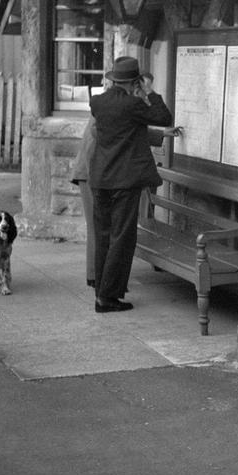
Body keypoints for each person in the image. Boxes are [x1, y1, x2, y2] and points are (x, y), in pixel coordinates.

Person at [70, 73, 182, 291]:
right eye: (138, 89)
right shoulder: (114, 106)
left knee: (106, 230)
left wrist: (161, 134)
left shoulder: (110, 104)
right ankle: (97, 280)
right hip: (92, 172)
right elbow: (119, 133)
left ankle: (103, 283)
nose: (139, 94)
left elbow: (131, 130)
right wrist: (147, 97)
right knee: (100, 230)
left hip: (101, 173)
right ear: (132, 85)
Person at [88, 56, 173, 313]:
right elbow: (163, 116)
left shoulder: (97, 102)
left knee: (103, 236)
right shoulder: (133, 105)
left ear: (114, 79)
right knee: (122, 238)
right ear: (134, 81)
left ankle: (101, 291)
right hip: (124, 180)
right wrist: (149, 91)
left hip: (100, 178)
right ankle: (108, 298)